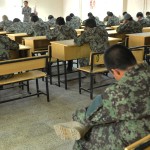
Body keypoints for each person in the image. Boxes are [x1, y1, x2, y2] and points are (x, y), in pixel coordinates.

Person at [54, 44, 150, 150]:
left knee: (87, 136)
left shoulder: (119, 92)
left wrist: (76, 116)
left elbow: (90, 115)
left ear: (115, 71)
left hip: (141, 138)